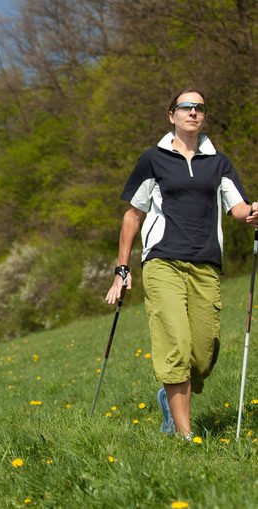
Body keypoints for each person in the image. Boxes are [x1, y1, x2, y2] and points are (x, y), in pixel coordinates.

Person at [105, 87, 258, 440]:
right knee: (174, 343)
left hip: (205, 264)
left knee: (203, 354)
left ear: (203, 116)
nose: (193, 112)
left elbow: (237, 207)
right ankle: (183, 434)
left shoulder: (218, 162)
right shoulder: (152, 160)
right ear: (171, 114)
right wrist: (122, 269)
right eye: (186, 107)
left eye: (199, 107)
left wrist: (252, 214)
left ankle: (168, 398)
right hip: (163, 263)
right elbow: (133, 215)